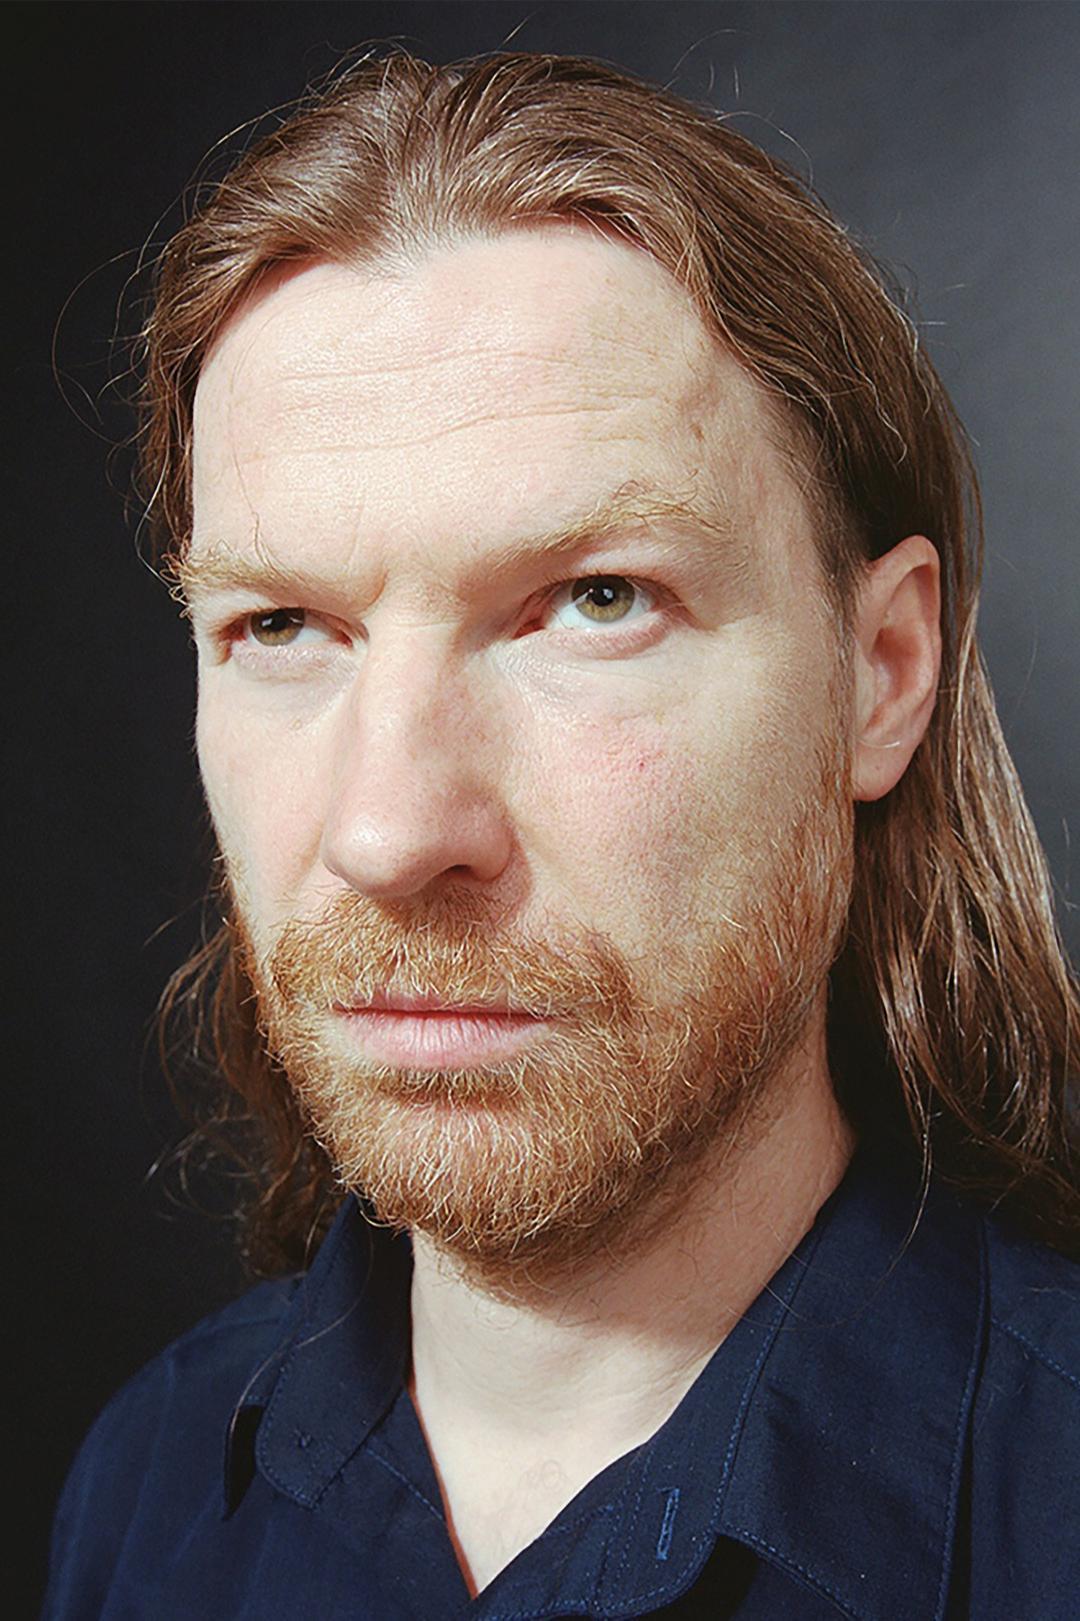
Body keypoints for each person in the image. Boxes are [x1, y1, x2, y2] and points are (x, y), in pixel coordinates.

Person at [44, 50, 1078, 1620]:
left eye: (596, 601)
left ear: (883, 672)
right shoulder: (145, 1490)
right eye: (281, 625)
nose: (391, 829)